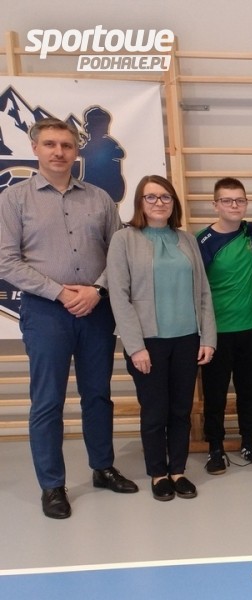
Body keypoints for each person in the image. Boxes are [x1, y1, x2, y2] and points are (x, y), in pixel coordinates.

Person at [0, 117, 138, 519]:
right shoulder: (14, 199)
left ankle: (103, 467)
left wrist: (96, 290)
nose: (58, 152)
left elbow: (118, 254)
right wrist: (60, 292)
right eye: (50, 144)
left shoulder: (99, 199)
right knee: (48, 401)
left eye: (65, 145)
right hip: (46, 312)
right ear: (36, 148)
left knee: (97, 395)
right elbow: (6, 261)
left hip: (95, 310)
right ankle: (52, 485)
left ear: (76, 150)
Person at [107, 175, 216, 501]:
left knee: (181, 410)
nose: (159, 202)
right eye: (151, 197)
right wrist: (135, 346)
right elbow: (119, 296)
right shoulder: (124, 239)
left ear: (173, 203)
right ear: (140, 202)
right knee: (155, 412)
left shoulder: (187, 240)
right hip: (148, 342)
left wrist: (208, 338)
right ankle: (158, 473)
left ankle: (178, 470)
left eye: (165, 197)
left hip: (186, 339)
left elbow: (204, 292)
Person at [196, 177, 252, 474]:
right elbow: (195, 289)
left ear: (246, 204)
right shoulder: (203, 241)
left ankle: (249, 442)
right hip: (217, 333)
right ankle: (215, 448)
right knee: (215, 396)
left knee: (249, 391)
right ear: (215, 205)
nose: (234, 205)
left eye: (240, 200)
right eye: (227, 200)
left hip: (251, 328)